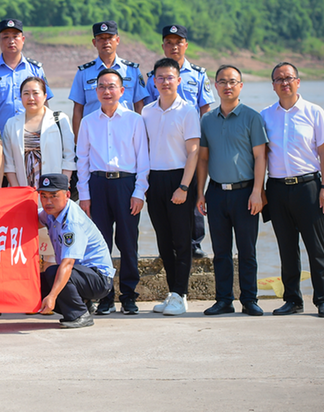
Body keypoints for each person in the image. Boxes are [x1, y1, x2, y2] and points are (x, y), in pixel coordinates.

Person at [261, 63, 324, 318]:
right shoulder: (265, 115)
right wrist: (260, 190)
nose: (284, 83)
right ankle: (292, 299)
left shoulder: (314, 112)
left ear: (298, 82)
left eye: (289, 78)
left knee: (316, 247)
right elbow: (261, 156)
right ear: (272, 85)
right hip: (277, 188)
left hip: (309, 187)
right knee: (287, 247)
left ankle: (323, 299)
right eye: (279, 79)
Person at [76, 68, 149, 316]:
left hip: (126, 185)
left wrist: (139, 192)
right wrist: (83, 195)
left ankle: (129, 296)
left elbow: (143, 160)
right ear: (96, 91)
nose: (107, 91)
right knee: (100, 244)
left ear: (121, 90)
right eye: (102, 87)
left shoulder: (135, 120)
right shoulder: (87, 122)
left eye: (111, 86)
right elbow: (82, 160)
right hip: (97, 186)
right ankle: (105, 296)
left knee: (128, 243)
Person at [196, 65, 267, 317]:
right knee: (221, 252)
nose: (228, 86)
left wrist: (257, 191)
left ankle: (249, 299)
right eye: (222, 82)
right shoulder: (207, 120)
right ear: (215, 86)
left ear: (240, 86)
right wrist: (200, 193)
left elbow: (260, 157)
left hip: (245, 193)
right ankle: (224, 300)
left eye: (233, 82)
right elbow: (202, 159)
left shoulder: (252, 117)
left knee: (247, 251)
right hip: (216, 193)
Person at [144, 24, 215, 257]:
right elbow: (147, 109)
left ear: (186, 45)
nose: (174, 46)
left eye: (178, 42)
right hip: (166, 143)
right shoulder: (154, 77)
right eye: (169, 42)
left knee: (192, 190)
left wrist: (204, 142)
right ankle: (171, 243)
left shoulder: (198, 74)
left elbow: (205, 108)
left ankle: (195, 242)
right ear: (163, 46)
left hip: (192, 141)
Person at [141, 58, 201, 316]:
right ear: (154, 82)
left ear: (179, 80)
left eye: (170, 77)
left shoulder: (188, 110)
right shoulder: (146, 112)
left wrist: (184, 187)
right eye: (160, 78)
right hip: (155, 179)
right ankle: (172, 293)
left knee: (182, 240)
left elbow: (194, 152)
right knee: (163, 240)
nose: (165, 82)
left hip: (180, 179)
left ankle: (182, 294)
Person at [37, 173, 116, 329]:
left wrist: (52, 296)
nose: (48, 201)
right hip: (81, 275)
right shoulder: (51, 212)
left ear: (67, 195)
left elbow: (67, 264)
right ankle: (84, 304)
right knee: (38, 284)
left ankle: (80, 314)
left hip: (99, 279)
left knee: (54, 273)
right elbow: (31, 221)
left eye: (54, 196)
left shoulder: (72, 222)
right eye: (43, 196)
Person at [68, 20, 148, 138]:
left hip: (126, 133)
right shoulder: (84, 72)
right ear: (94, 42)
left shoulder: (131, 70)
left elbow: (139, 105)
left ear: (117, 40)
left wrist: (141, 136)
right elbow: (78, 109)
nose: (106, 42)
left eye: (110, 37)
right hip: (94, 134)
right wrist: (78, 141)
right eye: (101, 38)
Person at [0, 19, 52, 135]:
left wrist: (49, 132)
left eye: (15, 36)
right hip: (1, 136)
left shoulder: (35, 69)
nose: (11, 41)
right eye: (6, 37)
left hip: (32, 137)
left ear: (23, 40)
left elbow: (45, 103)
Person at [3, 76, 76, 188]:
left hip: (54, 188)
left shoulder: (59, 120)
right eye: (26, 93)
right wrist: (16, 188)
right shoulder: (11, 124)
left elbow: (69, 156)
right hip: (23, 188)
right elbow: (9, 163)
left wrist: (62, 185)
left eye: (35, 93)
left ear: (45, 96)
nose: (31, 98)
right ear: (20, 97)